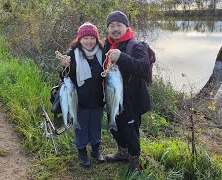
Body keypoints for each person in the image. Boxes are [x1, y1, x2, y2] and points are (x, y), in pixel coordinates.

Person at [104, 11, 151, 172]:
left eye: (119, 25)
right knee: (114, 127)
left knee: (131, 132)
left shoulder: (137, 46)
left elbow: (144, 68)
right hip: (112, 96)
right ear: (108, 28)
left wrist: (121, 56)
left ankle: (134, 161)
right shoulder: (107, 44)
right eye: (111, 26)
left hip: (132, 101)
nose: (115, 29)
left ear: (126, 27)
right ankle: (122, 152)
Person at [56, 22, 105, 168]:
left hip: (97, 99)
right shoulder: (71, 54)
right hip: (79, 100)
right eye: (85, 38)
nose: (89, 41)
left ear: (96, 38)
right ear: (79, 39)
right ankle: (82, 152)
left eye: (92, 38)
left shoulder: (103, 53)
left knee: (96, 126)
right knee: (80, 127)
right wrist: (64, 67)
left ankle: (96, 150)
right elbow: (65, 78)